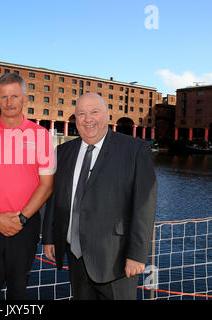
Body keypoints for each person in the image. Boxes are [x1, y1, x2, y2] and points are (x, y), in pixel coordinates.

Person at [42, 92, 157, 300]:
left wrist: (137, 255)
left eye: (94, 112)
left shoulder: (134, 150)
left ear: (107, 115)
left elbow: (144, 207)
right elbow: (55, 198)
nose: (88, 119)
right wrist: (49, 237)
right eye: (81, 114)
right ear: (75, 119)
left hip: (117, 261)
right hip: (76, 258)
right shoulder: (63, 151)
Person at [0, 72, 54, 300]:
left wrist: (21, 218)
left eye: (14, 96)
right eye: (4, 97)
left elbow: (46, 185)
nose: (9, 102)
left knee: (18, 292)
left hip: (25, 225)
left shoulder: (42, 136)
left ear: (25, 99)